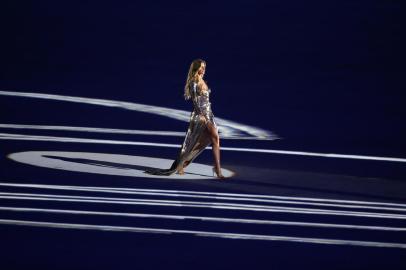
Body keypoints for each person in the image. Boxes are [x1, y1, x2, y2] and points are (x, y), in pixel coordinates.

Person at [144, 59, 226, 179]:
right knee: (211, 138)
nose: (203, 69)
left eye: (204, 67)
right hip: (201, 115)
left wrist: (208, 114)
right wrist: (202, 115)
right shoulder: (194, 82)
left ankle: (183, 164)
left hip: (209, 114)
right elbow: (195, 101)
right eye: (201, 67)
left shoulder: (202, 80)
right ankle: (217, 170)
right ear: (196, 68)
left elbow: (206, 101)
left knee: (204, 142)